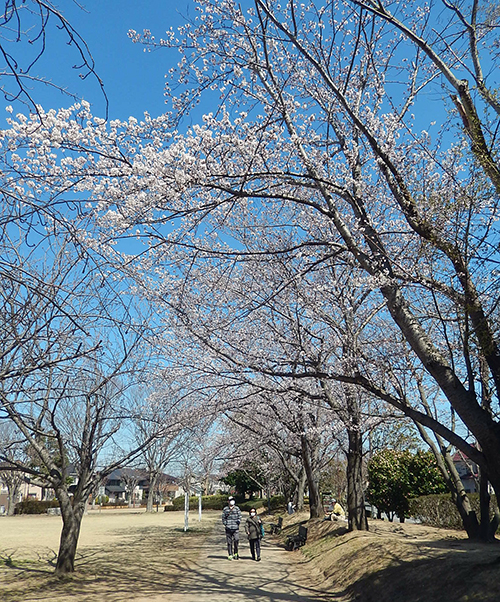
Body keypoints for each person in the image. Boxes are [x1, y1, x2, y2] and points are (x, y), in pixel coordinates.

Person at [221, 495, 242, 560]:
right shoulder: (225, 509)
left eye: (233, 500)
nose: (232, 501)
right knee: (229, 542)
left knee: (236, 539)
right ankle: (230, 554)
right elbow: (223, 518)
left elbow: (240, 516)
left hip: (235, 528)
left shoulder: (237, 508)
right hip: (228, 528)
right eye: (230, 500)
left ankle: (236, 552)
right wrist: (226, 524)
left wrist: (238, 522)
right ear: (228, 501)